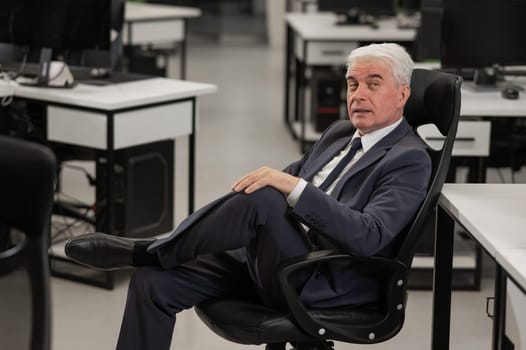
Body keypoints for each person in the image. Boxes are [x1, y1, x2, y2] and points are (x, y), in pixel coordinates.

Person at [65, 42, 432, 350]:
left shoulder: (409, 158)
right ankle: (155, 256)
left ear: (402, 93)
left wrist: (292, 188)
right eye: (353, 85)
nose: (359, 95)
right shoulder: (339, 132)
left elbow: (369, 236)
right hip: (266, 259)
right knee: (153, 283)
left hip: (321, 276)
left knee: (268, 197)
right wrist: (280, 187)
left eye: (373, 83)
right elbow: (285, 181)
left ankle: (148, 250)